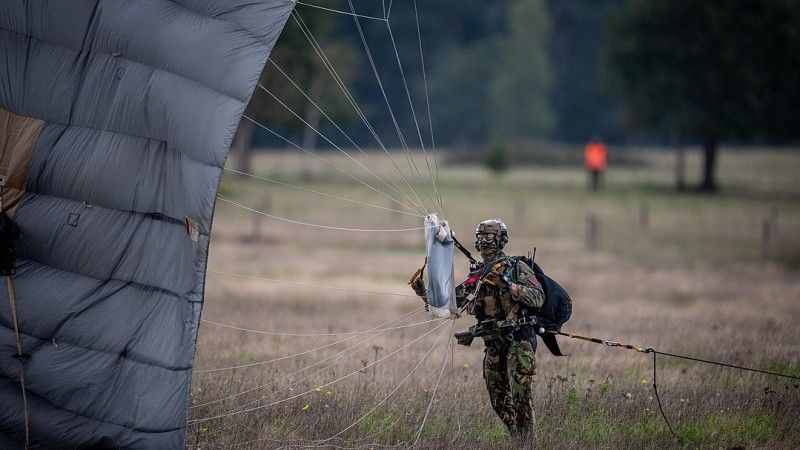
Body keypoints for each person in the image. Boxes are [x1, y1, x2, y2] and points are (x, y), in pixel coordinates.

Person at [411, 219, 544, 437]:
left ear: (500, 239)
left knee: (521, 398)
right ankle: (518, 438)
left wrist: (510, 287)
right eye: (480, 236)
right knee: (498, 401)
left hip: (518, 342)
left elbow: (538, 297)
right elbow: (451, 305)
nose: (484, 240)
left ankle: (528, 441)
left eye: (489, 236)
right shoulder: (477, 276)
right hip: (493, 345)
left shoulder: (515, 267)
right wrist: (423, 293)